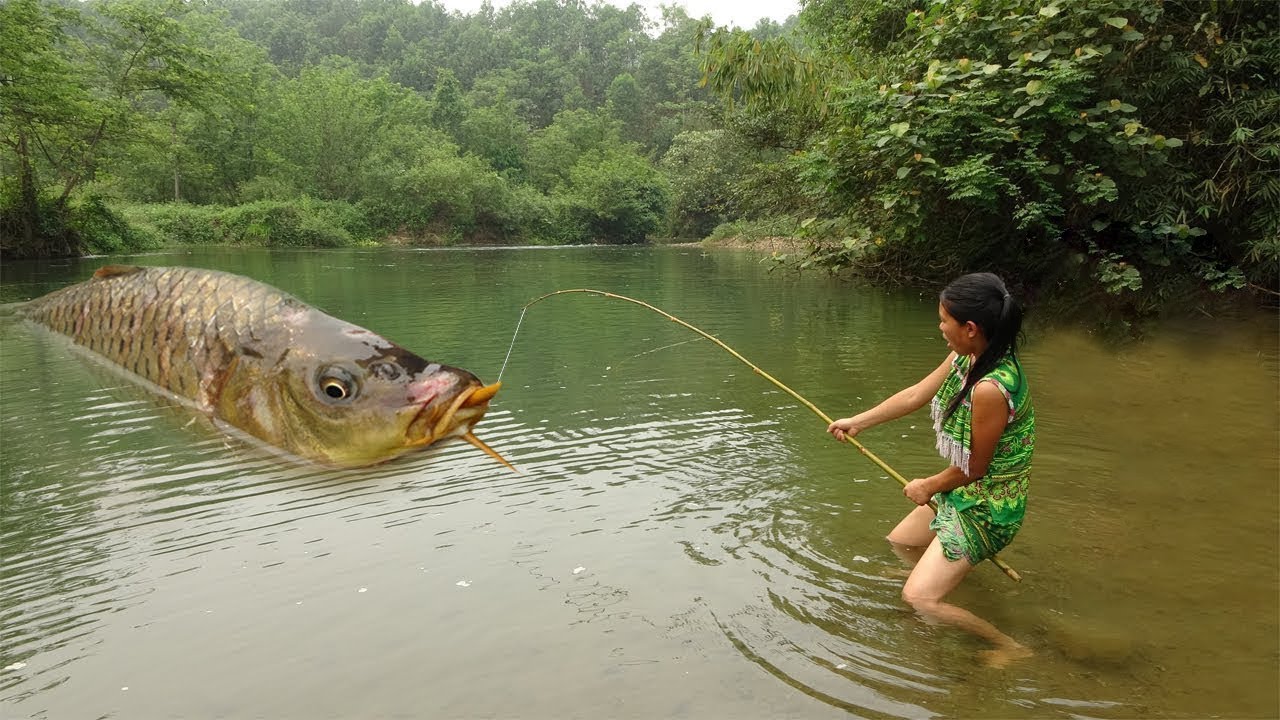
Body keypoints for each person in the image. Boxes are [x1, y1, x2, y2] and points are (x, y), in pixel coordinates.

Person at [827, 272, 1035, 666]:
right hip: (964, 490)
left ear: (970, 328)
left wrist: (928, 485)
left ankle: (1009, 646)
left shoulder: (991, 387)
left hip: (988, 507)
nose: (940, 327)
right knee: (900, 543)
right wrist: (859, 422)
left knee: (918, 600)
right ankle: (937, 572)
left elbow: (975, 467)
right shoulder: (969, 354)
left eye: (944, 320)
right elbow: (916, 394)